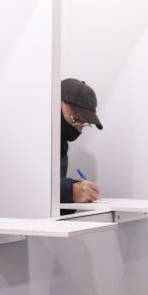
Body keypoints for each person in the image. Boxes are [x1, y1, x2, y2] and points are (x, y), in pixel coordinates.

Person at [60, 78, 103, 209]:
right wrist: (70, 191)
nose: (79, 130)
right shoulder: (35, 135)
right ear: (61, 104)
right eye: (76, 119)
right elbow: (27, 186)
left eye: (84, 123)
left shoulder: (61, 142)